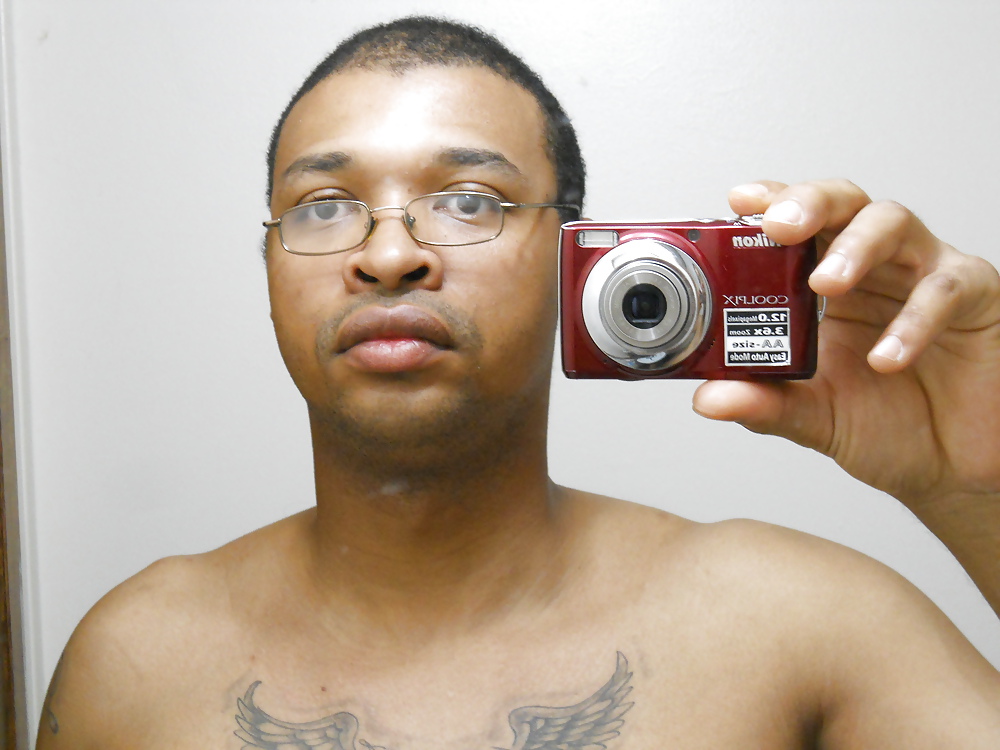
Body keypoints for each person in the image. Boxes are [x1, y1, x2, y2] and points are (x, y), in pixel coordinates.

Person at [37, 16, 1000, 750]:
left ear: (573, 258)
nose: (389, 255)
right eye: (323, 205)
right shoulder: (136, 661)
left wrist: (975, 488)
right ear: (269, 264)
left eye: (471, 200)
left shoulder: (795, 625)